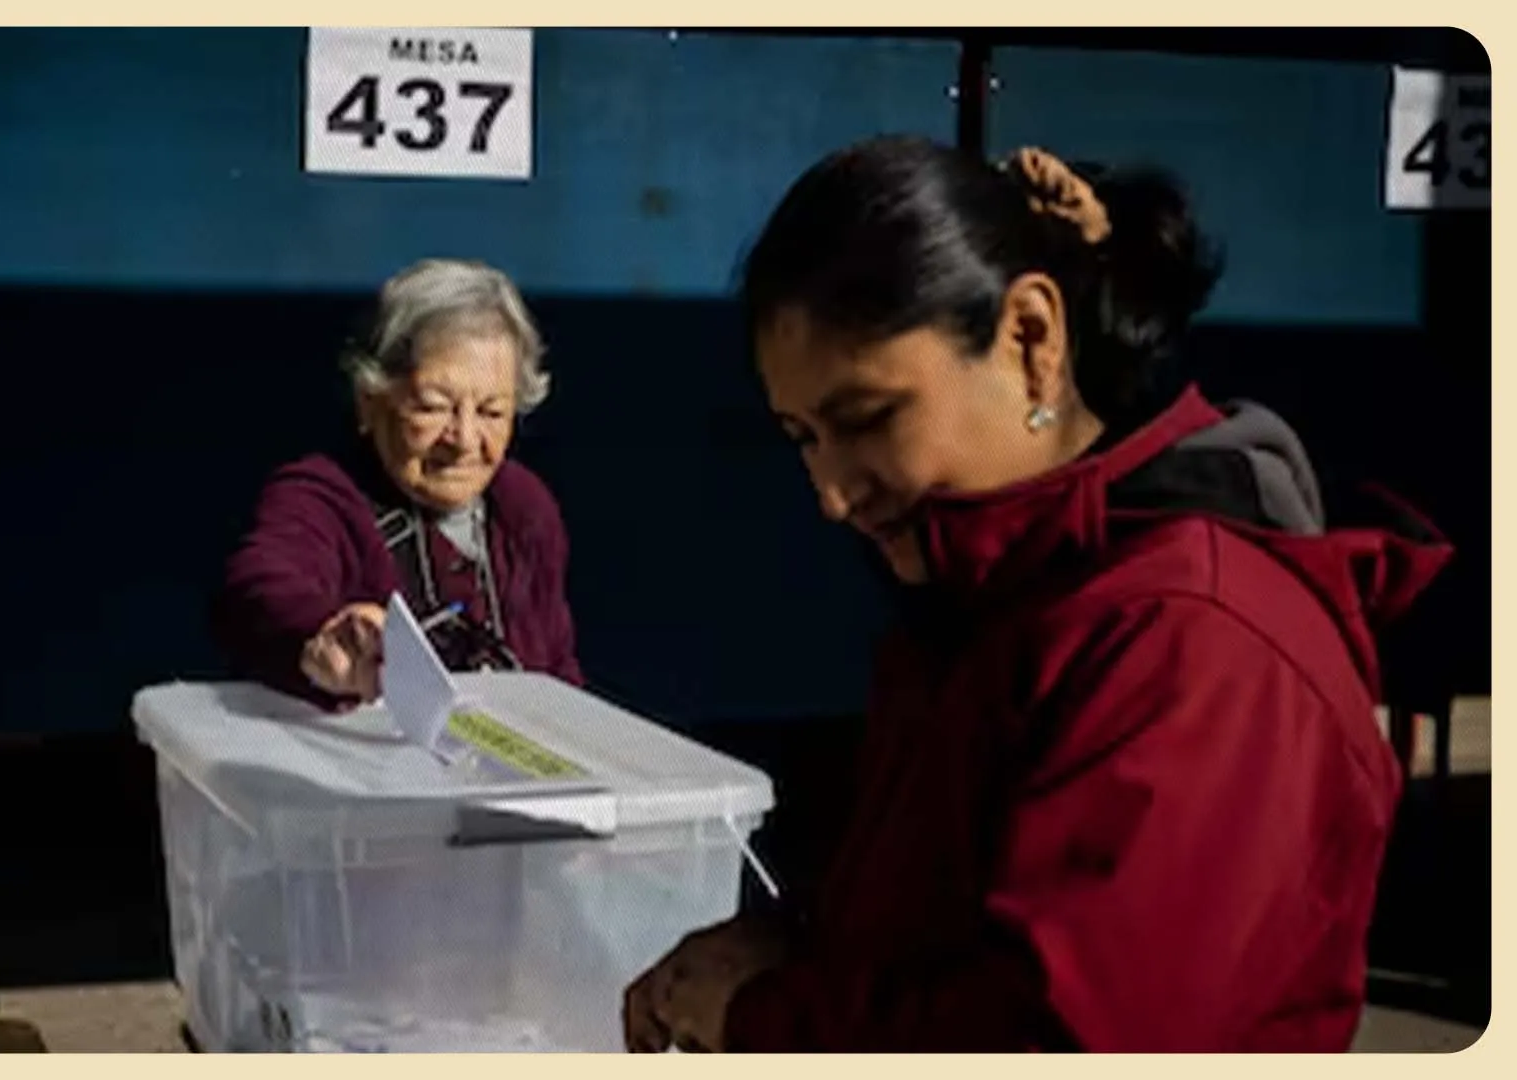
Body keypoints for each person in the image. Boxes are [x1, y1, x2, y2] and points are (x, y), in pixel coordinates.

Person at [621, 138, 1452, 1053]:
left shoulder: (1192, 640)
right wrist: (795, 945)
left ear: (1030, 339)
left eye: (868, 419)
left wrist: (763, 1018)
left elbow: (1078, 1037)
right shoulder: (989, 601)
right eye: (802, 436)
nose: (832, 491)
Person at [214, 258, 583, 710]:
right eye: (432, 407)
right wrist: (327, 635)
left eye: (492, 412)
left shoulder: (524, 508)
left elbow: (560, 678)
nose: (464, 441)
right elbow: (261, 586)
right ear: (369, 403)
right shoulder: (322, 495)